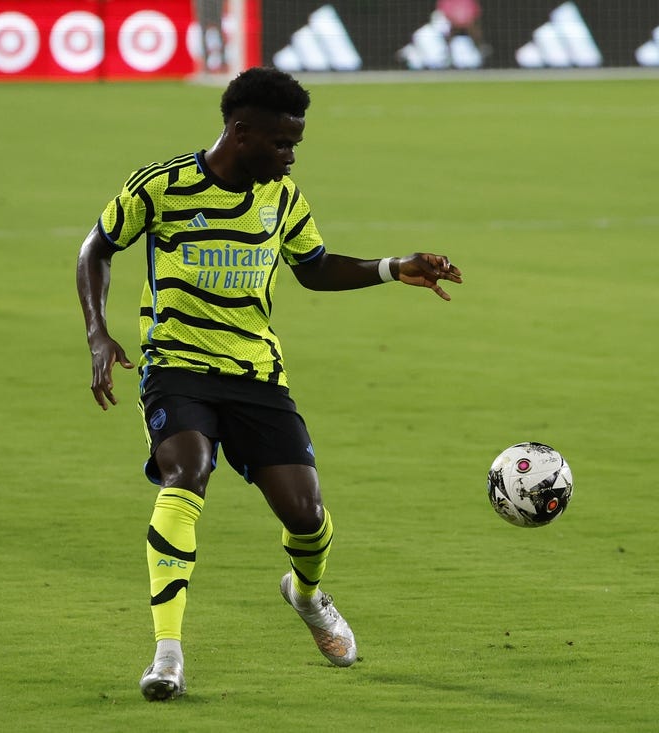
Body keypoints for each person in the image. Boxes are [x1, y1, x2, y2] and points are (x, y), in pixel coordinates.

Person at [76, 67, 462, 702]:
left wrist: (396, 268)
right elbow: (97, 246)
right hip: (176, 365)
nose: (289, 157)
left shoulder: (282, 199)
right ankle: (167, 654)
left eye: (295, 145)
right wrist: (98, 333)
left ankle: (307, 594)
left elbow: (314, 269)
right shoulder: (163, 186)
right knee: (185, 474)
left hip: (256, 374)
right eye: (282, 144)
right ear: (240, 131)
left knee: (305, 515)